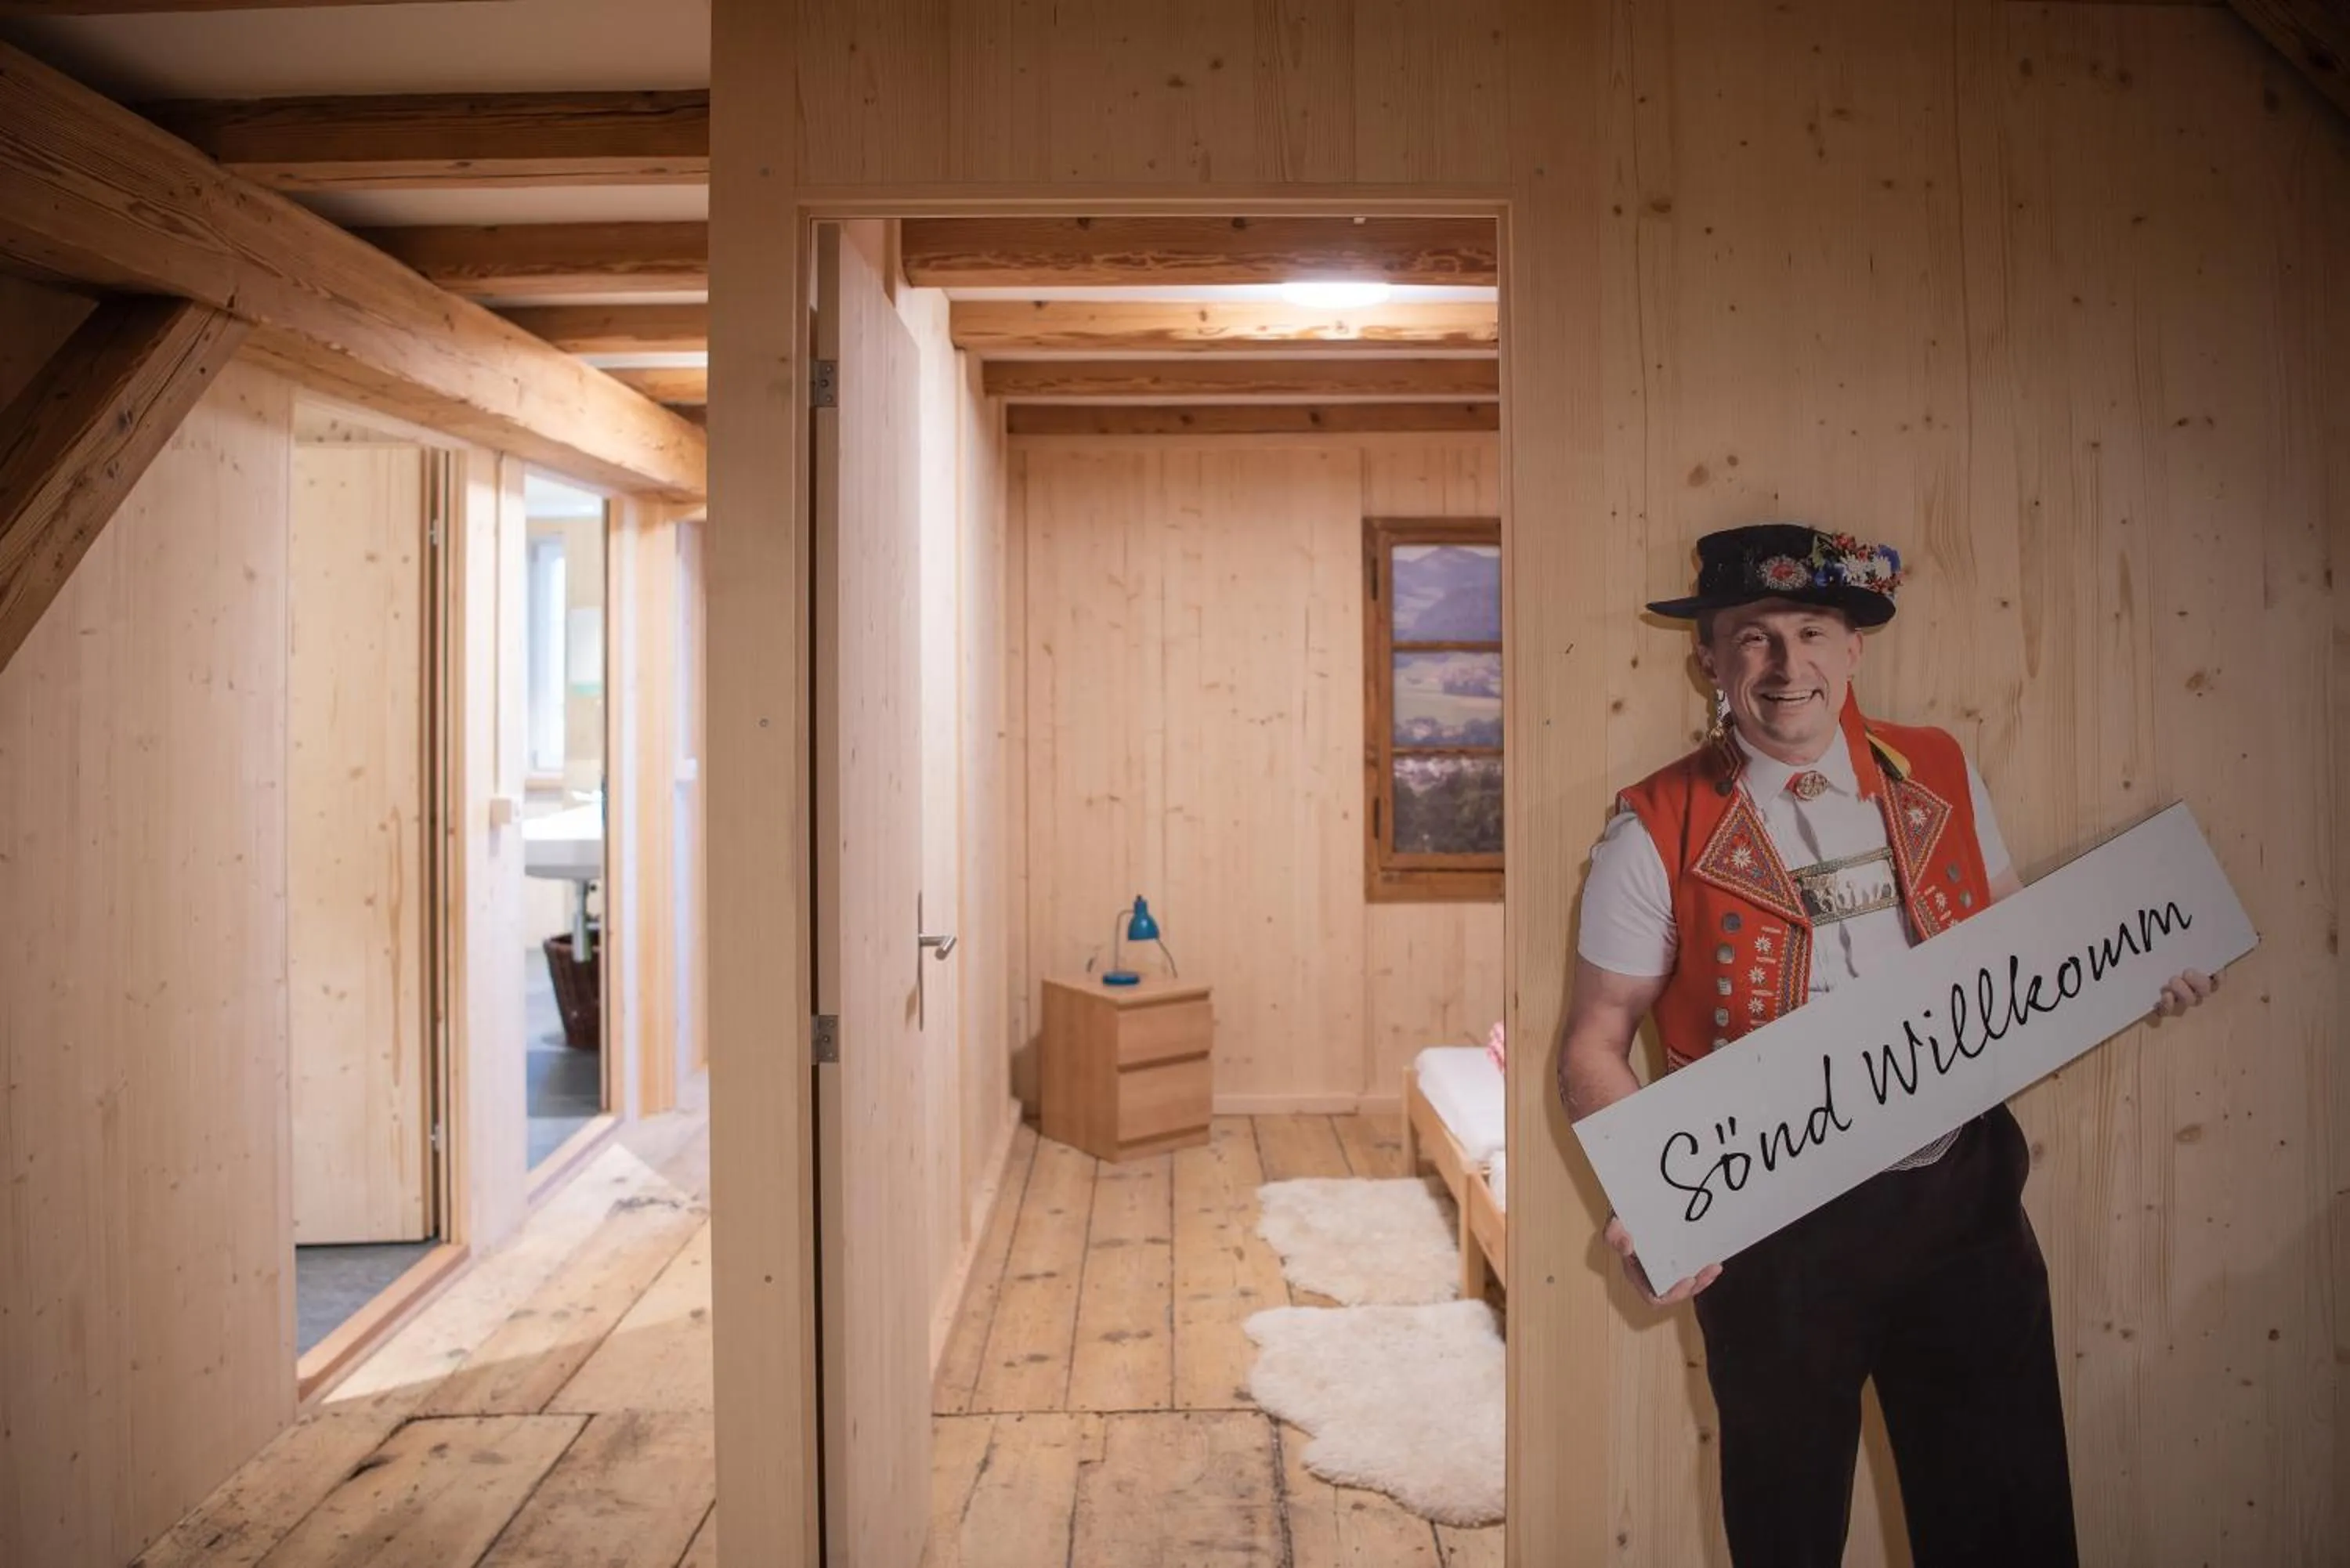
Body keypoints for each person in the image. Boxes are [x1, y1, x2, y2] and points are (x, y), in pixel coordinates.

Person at [1556, 522, 2215, 1568]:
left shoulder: (1941, 771)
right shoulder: (1656, 825)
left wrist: (2140, 964)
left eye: (1812, 631)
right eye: (1755, 637)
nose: (1788, 667)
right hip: (1775, 1234)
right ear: (1710, 659)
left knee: (2009, 1523)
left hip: (1963, 1201)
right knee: (1789, 1532)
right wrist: (1655, 1199)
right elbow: (1595, 1040)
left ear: (1854, 646)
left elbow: (2017, 952)